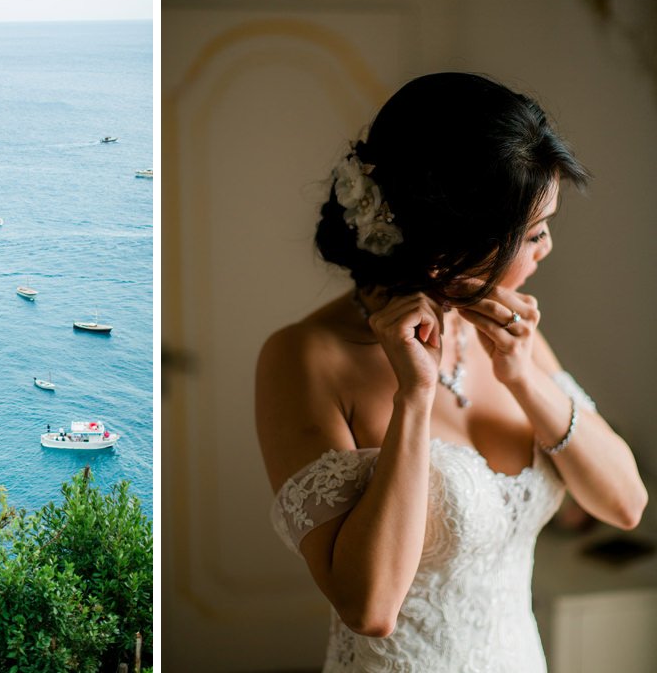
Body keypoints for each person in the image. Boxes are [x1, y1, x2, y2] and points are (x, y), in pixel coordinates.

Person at [255, 72, 648, 672]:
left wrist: (523, 378)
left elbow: (625, 504)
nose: (546, 249)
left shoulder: (513, 333)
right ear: (452, 248)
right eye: (534, 233)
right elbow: (370, 607)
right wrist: (414, 397)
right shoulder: (305, 358)